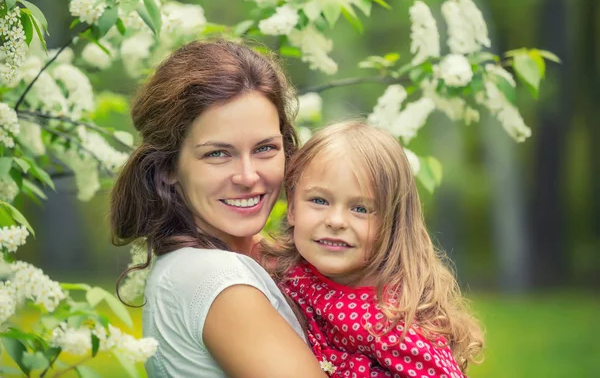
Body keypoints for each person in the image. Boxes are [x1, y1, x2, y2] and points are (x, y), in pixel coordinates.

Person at [110, 40, 327, 377]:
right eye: (217, 153)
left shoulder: (220, 263)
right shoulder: (217, 279)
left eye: (265, 148)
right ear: (168, 167)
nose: (247, 176)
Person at [263, 121, 484, 377]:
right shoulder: (283, 266)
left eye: (360, 209)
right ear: (292, 208)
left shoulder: (395, 326)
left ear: (392, 223)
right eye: (319, 200)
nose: (335, 221)